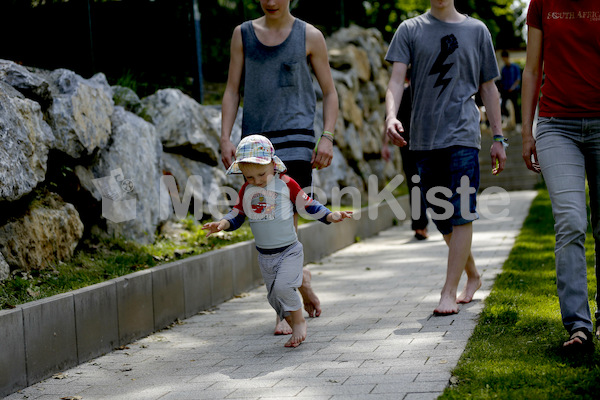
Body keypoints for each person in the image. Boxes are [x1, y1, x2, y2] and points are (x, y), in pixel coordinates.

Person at [220, 0, 339, 335]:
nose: (271, 1)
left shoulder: (310, 36)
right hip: (255, 146)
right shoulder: (242, 35)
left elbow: (330, 93)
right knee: (265, 219)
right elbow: (232, 90)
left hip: (298, 141)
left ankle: (285, 307)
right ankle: (299, 284)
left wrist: (326, 137)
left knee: (287, 220)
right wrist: (225, 137)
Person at [384, 0, 507, 316]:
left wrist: (498, 137)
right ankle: (474, 276)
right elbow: (396, 80)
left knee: (462, 211)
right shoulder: (409, 29)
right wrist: (390, 116)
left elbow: (489, 89)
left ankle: (448, 291)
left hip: (463, 134)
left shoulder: (477, 30)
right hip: (423, 138)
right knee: (442, 217)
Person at [203, 135, 352, 348]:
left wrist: (329, 215)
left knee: (283, 287)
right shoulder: (247, 190)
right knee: (273, 297)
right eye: (249, 177)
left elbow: (308, 204)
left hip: (289, 250)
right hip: (265, 256)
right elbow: (237, 214)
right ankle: (290, 317)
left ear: (273, 164)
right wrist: (222, 224)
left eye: (261, 174)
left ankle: (299, 322)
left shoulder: (285, 184)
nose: (257, 181)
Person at [521, 0, 600, 353]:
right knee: (570, 221)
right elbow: (532, 68)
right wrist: (526, 132)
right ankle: (579, 327)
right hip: (556, 125)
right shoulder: (542, 3)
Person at [382, 73, 429, 240]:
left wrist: (384, 145)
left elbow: (388, 121)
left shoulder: (397, 96)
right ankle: (431, 222)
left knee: (414, 184)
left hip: (405, 145)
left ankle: (419, 227)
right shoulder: (423, 93)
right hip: (425, 144)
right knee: (427, 182)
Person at [499, 50, 521, 126]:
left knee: (516, 107)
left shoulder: (515, 67)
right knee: (503, 106)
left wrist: (513, 87)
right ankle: (507, 118)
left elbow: (518, 79)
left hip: (513, 90)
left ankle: (518, 123)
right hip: (505, 90)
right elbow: (502, 80)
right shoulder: (504, 69)